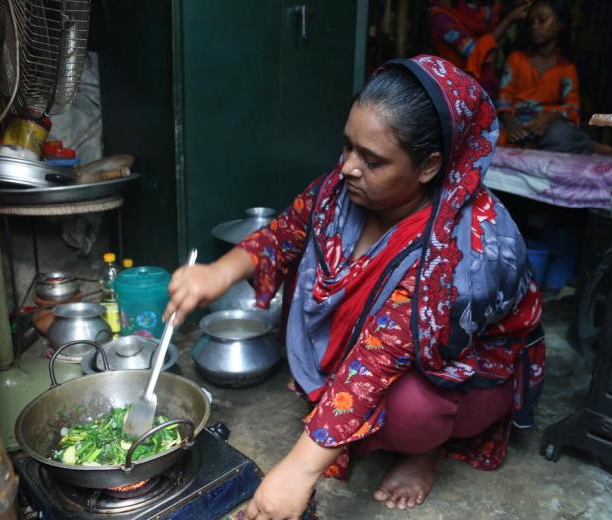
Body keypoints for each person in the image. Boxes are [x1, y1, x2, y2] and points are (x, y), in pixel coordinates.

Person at [164, 55, 545, 519]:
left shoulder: (460, 252)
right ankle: (342, 426)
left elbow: (376, 360)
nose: (347, 167)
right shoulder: (339, 191)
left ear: (428, 166)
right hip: (377, 352)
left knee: (412, 411)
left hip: (460, 378)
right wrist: (217, 274)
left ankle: (429, 451)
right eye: (347, 146)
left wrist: (297, 471)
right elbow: (284, 233)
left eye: (372, 159)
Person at [496, 0, 594, 153]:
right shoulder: (516, 59)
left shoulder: (566, 68)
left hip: (548, 128)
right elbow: (504, 101)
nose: (534, 27)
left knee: (559, 135)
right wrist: (510, 125)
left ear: (560, 24)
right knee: (489, 135)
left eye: (542, 20)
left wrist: (548, 118)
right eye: (531, 22)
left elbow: (572, 109)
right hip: (516, 125)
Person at [428, 0, 532, 97]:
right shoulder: (439, 18)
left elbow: (494, 13)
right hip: (463, 89)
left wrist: (515, 3)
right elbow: (474, 50)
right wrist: (509, 19)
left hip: (483, 82)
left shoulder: (461, 6)